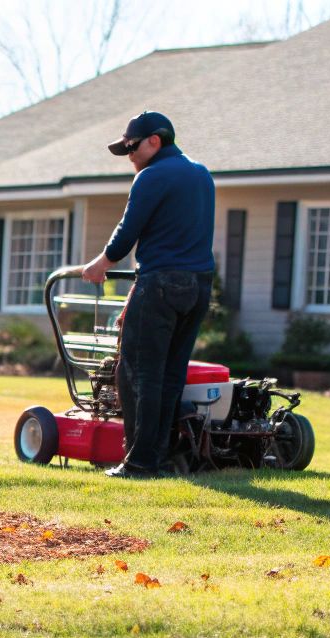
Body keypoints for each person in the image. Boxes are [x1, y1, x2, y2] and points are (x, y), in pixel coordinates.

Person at [80, 111, 216, 479]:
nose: (129, 155)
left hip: (160, 284)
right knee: (171, 374)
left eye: (131, 146)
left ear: (155, 141)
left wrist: (99, 265)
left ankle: (139, 462)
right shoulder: (201, 174)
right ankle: (164, 457)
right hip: (199, 285)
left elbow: (128, 231)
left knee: (137, 372)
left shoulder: (151, 176)